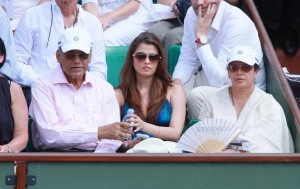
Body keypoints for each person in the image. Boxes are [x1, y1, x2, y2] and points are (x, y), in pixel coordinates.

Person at [30, 27, 133, 152]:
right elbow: (51, 136)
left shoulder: (104, 88)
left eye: (83, 55)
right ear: (58, 56)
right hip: (52, 159)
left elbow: (112, 138)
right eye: (70, 55)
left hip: (96, 157)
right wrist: (99, 132)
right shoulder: (42, 85)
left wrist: (97, 161)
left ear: (90, 57)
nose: (77, 61)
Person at [172, 0, 266, 120]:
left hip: (242, 90)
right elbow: (188, 59)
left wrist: (201, 36)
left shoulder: (236, 22)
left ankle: (203, 136)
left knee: (195, 96)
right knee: (170, 92)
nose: (200, 3)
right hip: (211, 75)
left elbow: (220, 80)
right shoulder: (192, 13)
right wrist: (176, 83)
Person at [199, 45, 294, 153]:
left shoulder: (269, 105)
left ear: (256, 71)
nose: (239, 72)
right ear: (228, 72)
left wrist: (231, 153)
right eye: (234, 67)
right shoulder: (213, 100)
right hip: (215, 165)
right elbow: (202, 141)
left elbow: (267, 147)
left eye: (246, 67)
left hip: (256, 167)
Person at [13, 0, 106, 106]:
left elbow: (99, 70)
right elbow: (17, 63)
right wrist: (41, 83)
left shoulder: (92, 22)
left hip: (82, 92)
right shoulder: (32, 16)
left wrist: (80, 89)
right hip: (40, 91)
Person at [115, 32, 186, 151]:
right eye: (141, 56)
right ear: (132, 59)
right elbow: (114, 136)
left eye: (153, 57)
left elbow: (175, 133)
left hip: (167, 153)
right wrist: (130, 144)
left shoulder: (174, 89)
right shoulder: (119, 94)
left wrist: (144, 126)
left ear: (159, 61)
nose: (147, 61)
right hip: (133, 154)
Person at [82, 0, 153, 46]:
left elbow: (134, 4)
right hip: (101, 16)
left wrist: (106, 17)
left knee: (104, 41)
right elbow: (90, 3)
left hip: (135, 17)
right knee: (84, 38)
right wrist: (95, 23)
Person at [0, 37, 28, 153]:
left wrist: (6, 149)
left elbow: (22, 136)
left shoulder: (13, 89)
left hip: (4, 160)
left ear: (1, 57)